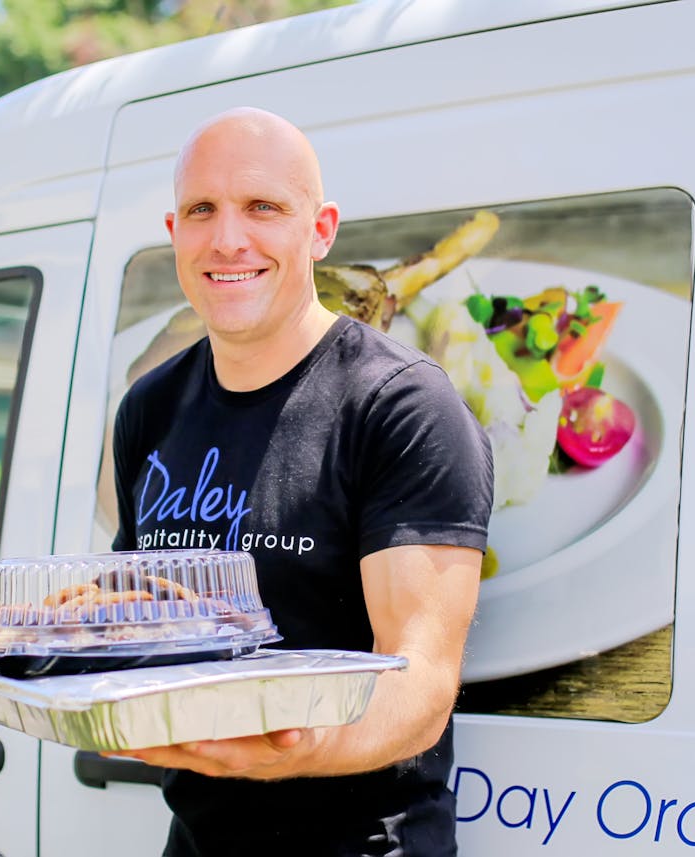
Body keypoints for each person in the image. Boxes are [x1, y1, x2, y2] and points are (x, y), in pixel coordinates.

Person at [109, 107, 494, 857]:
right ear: (174, 231)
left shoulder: (401, 404)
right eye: (202, 210)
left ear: (320, 230)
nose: (228, 239)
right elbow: (134, 621)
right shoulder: (149, 409)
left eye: (262, 207)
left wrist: (285, 747)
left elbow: (421, 685)